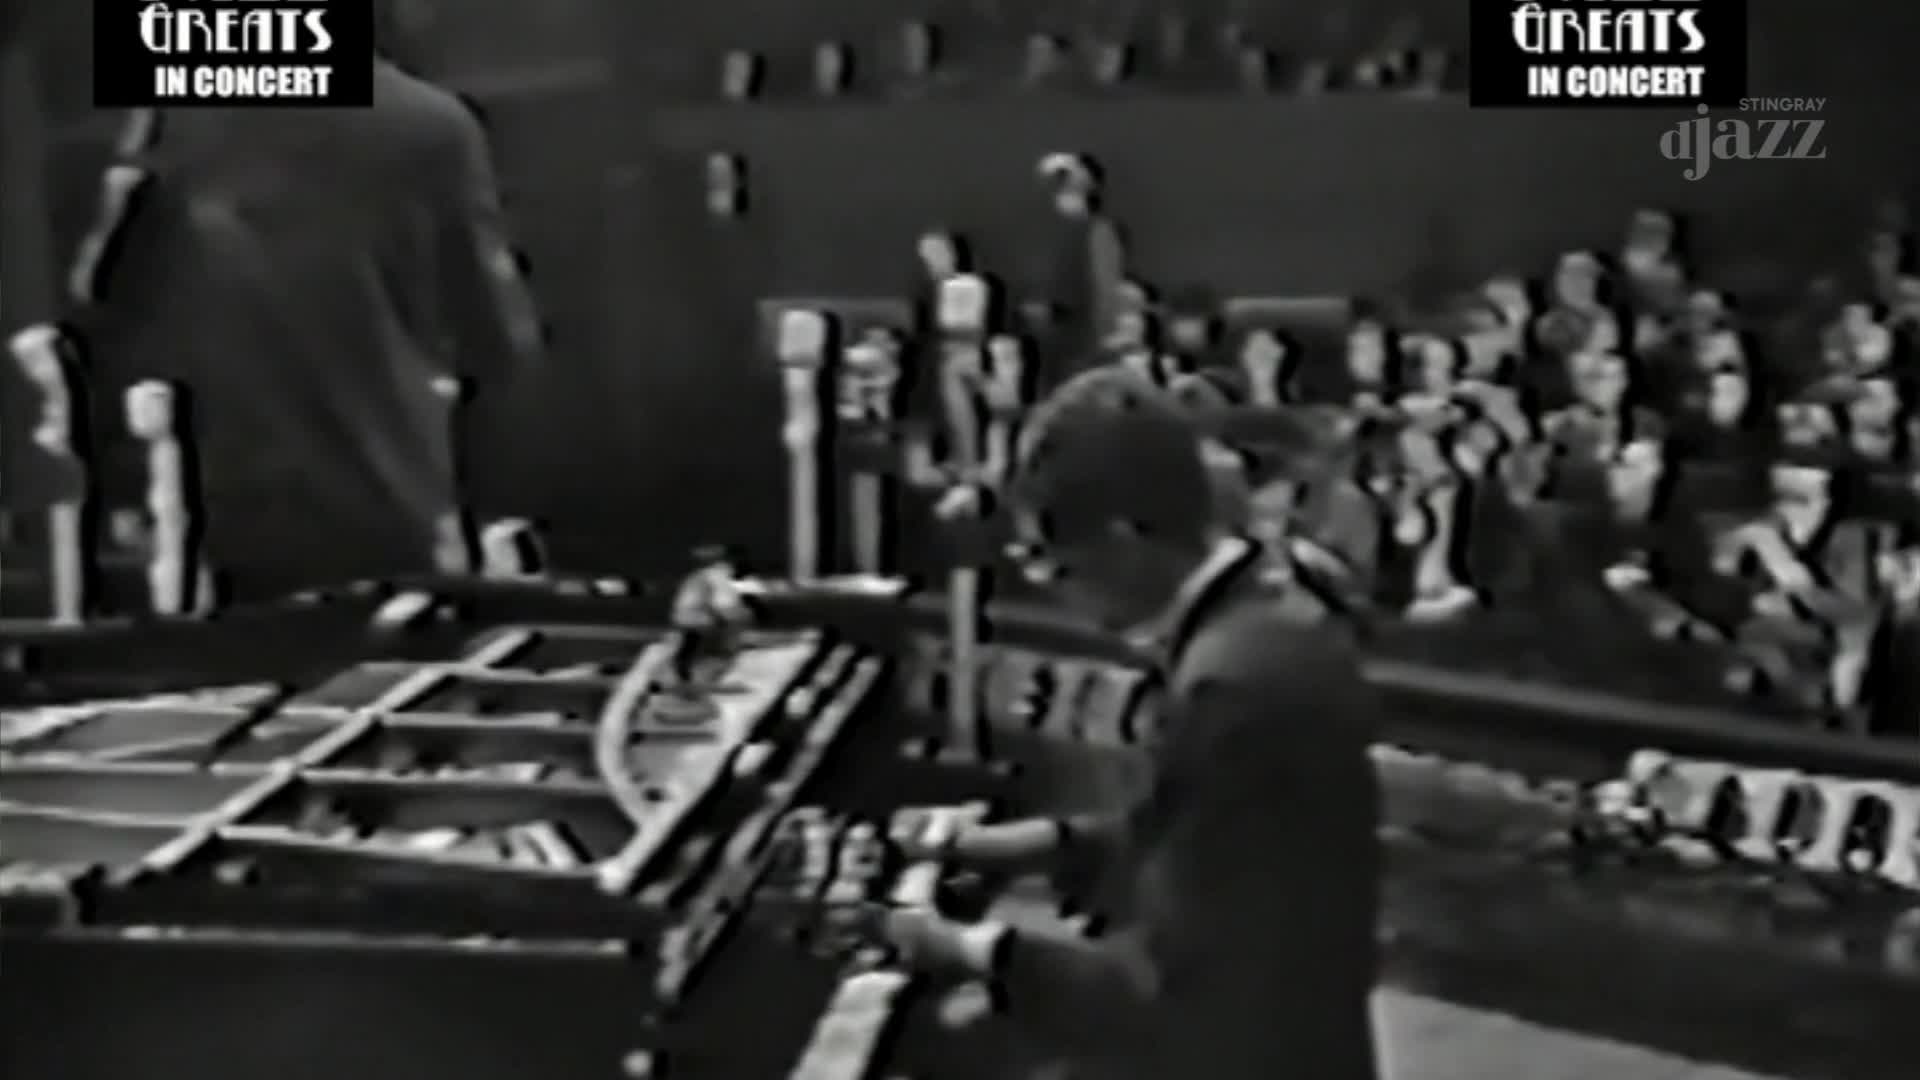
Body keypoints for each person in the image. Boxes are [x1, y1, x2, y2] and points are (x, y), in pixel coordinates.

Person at [879, 367, 1383, 1079]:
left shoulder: (1234, 689)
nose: (1058, 594)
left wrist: (964, 948)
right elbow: (1196, 839)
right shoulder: (1268, 621)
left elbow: (1177, 999)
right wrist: (1026, 845)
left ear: (1123, 538)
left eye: (1055, 565)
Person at [67, 16, 543, 603]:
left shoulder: (184, 118)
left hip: (227, 520)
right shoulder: (431, 126)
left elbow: (104, 304)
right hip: (392, 506)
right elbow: (496, 342)